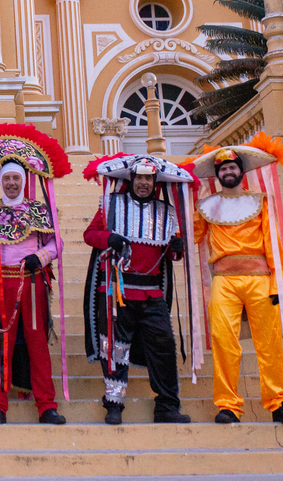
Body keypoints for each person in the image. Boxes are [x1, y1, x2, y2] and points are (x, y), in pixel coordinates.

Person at [0, 124, 72, 425]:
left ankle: (46, 405)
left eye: (15, 178)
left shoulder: (38, 211)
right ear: (0, 181)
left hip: (32, 282)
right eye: (6, 178)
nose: (10, 183)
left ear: (23, 180)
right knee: (0, 346)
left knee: (37, 344)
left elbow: (56, 241)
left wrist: (41, 256)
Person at [82, 153, 204, 425]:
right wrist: (109, 238)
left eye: (149, 178)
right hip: (116, 292)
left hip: (152, 295)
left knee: (164, 347)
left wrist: (177, 249)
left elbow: (171, 255)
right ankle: (114, 405)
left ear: (155, 182)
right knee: (114, 349)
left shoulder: (167, 212)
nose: (144, 183)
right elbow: (90, 235)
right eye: (139, 178)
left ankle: (167, 406)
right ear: (132, 179)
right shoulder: (110, 204)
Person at [190, 134, 283, 425]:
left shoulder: (260, 202)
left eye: (232, 168)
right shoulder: (207, 206)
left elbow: (272, 243)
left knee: (269, 343)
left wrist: (280, 286)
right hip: (224, 281)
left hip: (260, 279)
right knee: (224, 342)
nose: (228, 172)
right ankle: (228, 405)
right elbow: (191, 235)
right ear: (218, 175)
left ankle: (278, 402)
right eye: (223, 169)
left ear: (241, 171)